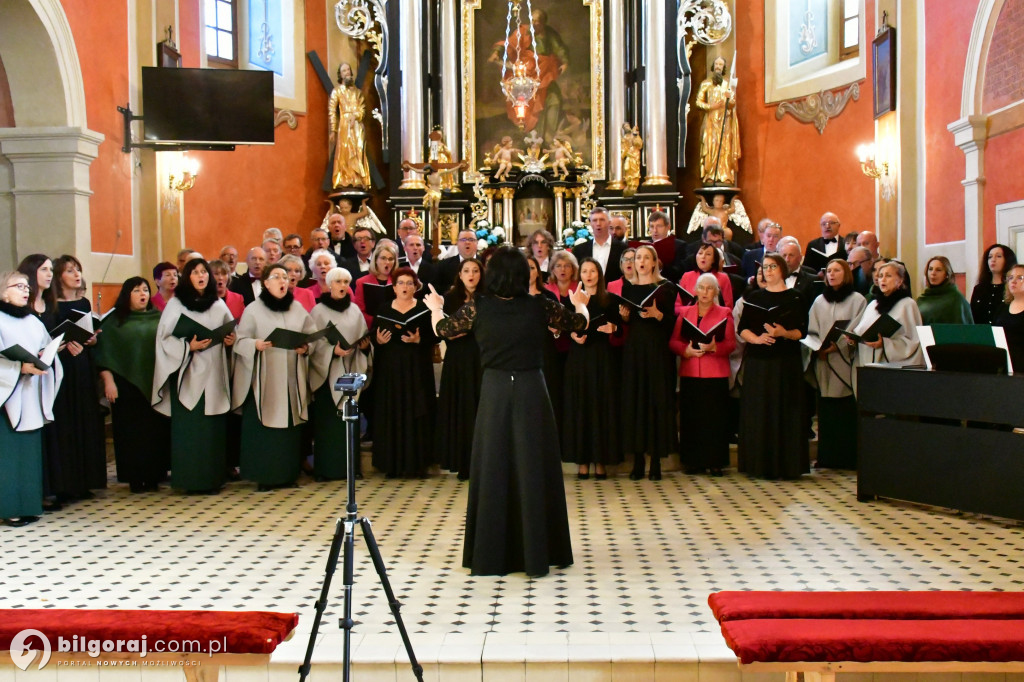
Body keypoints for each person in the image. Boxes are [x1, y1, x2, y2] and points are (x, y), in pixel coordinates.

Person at [425, 246, 589, 577]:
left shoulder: (480, 306)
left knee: (494, 465)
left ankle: (491, 553)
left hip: (496, 390)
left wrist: (437, 309)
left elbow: (443, 330)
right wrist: (582, 305)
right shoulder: (540, 305)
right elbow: (577, 325)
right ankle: (539, 549)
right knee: (533, 465)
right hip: (532, 389)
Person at [153, 258, 236, 494]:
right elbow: (164, 339)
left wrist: (231, 340)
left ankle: (212, 479)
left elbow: (231, 332)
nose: (201, 276)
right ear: (186, 277)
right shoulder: (176, 304)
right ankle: (189, 480)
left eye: (204, 272)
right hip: (187, 374)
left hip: (215, 373)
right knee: (191, 431)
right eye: (195, 272)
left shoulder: (218, 304)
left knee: (212, 431)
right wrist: (189, 346)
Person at [232, 263, 315, 491]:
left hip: (290, 376)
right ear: (265, 283)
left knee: (289, 428)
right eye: (276, 277)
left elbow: (312, 337)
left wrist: (305, 349)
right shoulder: (253, 310)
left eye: (285, 277)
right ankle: (265, 476)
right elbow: (240, 341)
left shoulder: (297, 308)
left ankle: (288, 474)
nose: (282, 281)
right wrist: (255, 344)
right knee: (265, 431)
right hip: (265, 377)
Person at [737, 252, 809, 480]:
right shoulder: (754, 296)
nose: (767, 271)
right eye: (765, 268)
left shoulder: (796, 297)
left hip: (785, 362)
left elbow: (801, 332)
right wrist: (757, 339)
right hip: (759, 363)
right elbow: (742, 328)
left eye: (772, 267)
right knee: (760, 412)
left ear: (782, 270)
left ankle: (786, 465)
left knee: (785, 411)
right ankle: (758, 464)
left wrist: (782, 333)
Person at [94, 277, 170, 492]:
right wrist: (109, 382)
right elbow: (104, 355)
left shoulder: (160, 319)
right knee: (131, 433)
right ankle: (134, 478)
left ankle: (155, 475)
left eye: (145, 289)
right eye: (136, 290)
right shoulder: (114, 322)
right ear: (127, 294)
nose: (142, 294)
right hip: (125, 386)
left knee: (155, 432)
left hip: (155, 383)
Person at [0, 270, 62, 526]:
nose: (26, 290)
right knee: (9, 457)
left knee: (29, 456)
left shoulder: (34, 321)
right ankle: (9, 508)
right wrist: (18, 369)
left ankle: (29, 505)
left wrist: (47, 357)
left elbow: (46, 351)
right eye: (18, 286)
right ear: (3, 292)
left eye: (27, 286)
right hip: (7, 398)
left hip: (30, 395)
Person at [370, 267, 437, 478]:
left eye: (410, 283)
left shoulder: (424, 310)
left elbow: (435, 336)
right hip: (390, 370)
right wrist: (378, 341)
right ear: (394, 287)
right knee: (392, 411)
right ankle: (392, 464)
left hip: (416, 369)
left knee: (417, 411)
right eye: (401, 283)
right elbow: (374, 335)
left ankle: (416, 464)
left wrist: (420, 340)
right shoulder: (383, 309)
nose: (405, 287)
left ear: (416, 287)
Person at [618, 244, 678, 480]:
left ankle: (656, 461)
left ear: (654, 262)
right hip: (634, 351)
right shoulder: (628, 287)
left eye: (645, 258)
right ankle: (638, 459)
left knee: (655, 401)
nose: (640, 261)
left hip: (656, 351)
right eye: (637, 258)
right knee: (636, 401)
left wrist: (658, 315)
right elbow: (628, 321)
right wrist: (624, 317)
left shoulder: (665, 288)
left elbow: (673, 323)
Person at [48, 255, 106, 495]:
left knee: (85, 417)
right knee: (66, 419)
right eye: (70, 270)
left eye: (78, 270)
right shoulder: (50, 304)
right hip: (61, 365)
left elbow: (88, 333)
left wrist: (91, 340)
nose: (76, 274)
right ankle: (67, 482)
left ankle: (86, 480)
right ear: (58, 276)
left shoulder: (83, 303)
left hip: (81, 364)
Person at [308, 267, 372, 480]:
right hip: (327, 375)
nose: (343, 286)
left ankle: (351, 468)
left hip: (350, 371)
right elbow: (313, 343)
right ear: (328, 285)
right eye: (338, 282)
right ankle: (326, 469)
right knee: (328, 424)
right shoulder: (318, 312)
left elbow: (364, 337)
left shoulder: (354, 310)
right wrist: (330, 351)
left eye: (346, 282)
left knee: (349, 421)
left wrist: (364, 348)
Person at [669, 272, 736, 476]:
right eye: (702, 288)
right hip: (691, 371)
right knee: (692, 419)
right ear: (695, 291)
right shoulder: (685, 313)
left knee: (714, 420)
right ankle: (693, 462)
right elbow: (674, 341)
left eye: (709, 288)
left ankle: (715, 462)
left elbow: (731, 343)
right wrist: (685, 351)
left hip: (715, 372)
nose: (705, 292)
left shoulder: (724, 312)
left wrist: (715, 347)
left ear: (716, 291)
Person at [561, 258, 622, 479]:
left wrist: (614, 327)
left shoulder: (610, 300)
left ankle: (601, 460)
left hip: (602, 359)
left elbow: (620, 331)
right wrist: (572, 335)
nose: (588, 275)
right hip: (579, 358)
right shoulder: (573, 299)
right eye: (585, 271)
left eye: (593, 271)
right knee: (581, 406)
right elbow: (565, 325)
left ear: (600, 274)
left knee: (600, 405)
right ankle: (582, 461)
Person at [805, 259, 866, 470]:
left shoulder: (857, 300)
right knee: (827, 412)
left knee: (845, 410)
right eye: (829, 271)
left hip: (844, 362)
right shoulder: (819, 301)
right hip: (823, 362)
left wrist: (837, 346)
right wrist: (817, 348)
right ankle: (827, 457)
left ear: (846, 273)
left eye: (837, 270)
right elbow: (811, 330)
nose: (831, 274)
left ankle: (848, 458)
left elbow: (858, 328)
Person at [435, 258, 485, 480]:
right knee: (460, 408)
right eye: (467, 271)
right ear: (460, 274)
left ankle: (482, 463)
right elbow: (439, 328)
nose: (471, 274)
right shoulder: (449, 298)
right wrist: (451, 333)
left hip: (480, 358)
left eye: (475, 270)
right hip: (457, 358)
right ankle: (461, 462)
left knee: (479, 409)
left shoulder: (487, 299)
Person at [851, 260, 924, 382]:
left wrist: (885, 344)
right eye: (880, 276)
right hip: (867, 364)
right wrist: (853, 339)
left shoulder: (907, 304)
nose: (883, 279)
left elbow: (913, 342)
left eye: (888, 276)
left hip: (892, 369)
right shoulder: (873, 305)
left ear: (900, 281)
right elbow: (861, 331)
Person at [694, 56, 740, 186]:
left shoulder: (727, 84)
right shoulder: (706, 83)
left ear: (724, 67)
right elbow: (698, 102)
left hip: (724, 120)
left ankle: (724, 175)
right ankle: (711, 174)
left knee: (725, 145)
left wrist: (729, 100)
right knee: (711, 145)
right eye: (716, 64)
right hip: (710, 120)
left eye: (721, 64)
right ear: (713, 67)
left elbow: (732, 104)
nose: (718, 66)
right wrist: (710, 107)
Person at [328, 61, 371, 189]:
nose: (347, 73)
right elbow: (331, 111)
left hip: (357, 126)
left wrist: (356, 116)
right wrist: (333, 130)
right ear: (340, 75)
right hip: (344, 125)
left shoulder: (357, 92)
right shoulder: (337, 92)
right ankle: (345, 178)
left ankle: (358, 179)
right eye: (344, 71)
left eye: (348, 70)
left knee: (358, 150)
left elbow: (362, 109)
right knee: (345, 152)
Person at [353, 240, 399, 327]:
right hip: (371, 327)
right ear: (375, 260)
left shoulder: (398, 281)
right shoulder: (362, 282)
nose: (387, 262)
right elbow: (359, 311)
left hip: (395, 326)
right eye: (383, 258)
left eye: (391, 259)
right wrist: (379, 322)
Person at [573, 207, 626, 281]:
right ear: (590, 223)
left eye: (602, 220)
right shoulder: (579, 250)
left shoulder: (623, 248)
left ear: (609, 222)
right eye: (594, 220)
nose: (598, 224)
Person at [916, 256, 973, 325]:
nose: (933, 273)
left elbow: (964, 329)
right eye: (930, 269)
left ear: (946, 274)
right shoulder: (922, 299)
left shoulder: (956, 299)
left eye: (938, 270)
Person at [970, 244, 1017, 325]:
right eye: (990, 257)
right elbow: (971, 317)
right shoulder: (979, 289)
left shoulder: (1012, 287)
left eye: (998, 256)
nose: (993, 260)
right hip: (981, 334)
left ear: (1007, 260)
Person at [680, 242, 733, 309]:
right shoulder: (686, 276)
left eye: (708, 254)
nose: (703, 256)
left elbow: (728, 307)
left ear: (714, 259)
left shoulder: (723, 278)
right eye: (700, 253)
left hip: (715, 317)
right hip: (689, 316)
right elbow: (678, 305)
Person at [994, 263, 1024, 372]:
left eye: (1020, 278)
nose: (1013, 281)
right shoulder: (1003, 307)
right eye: (1010, 278)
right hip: (1003, 365)